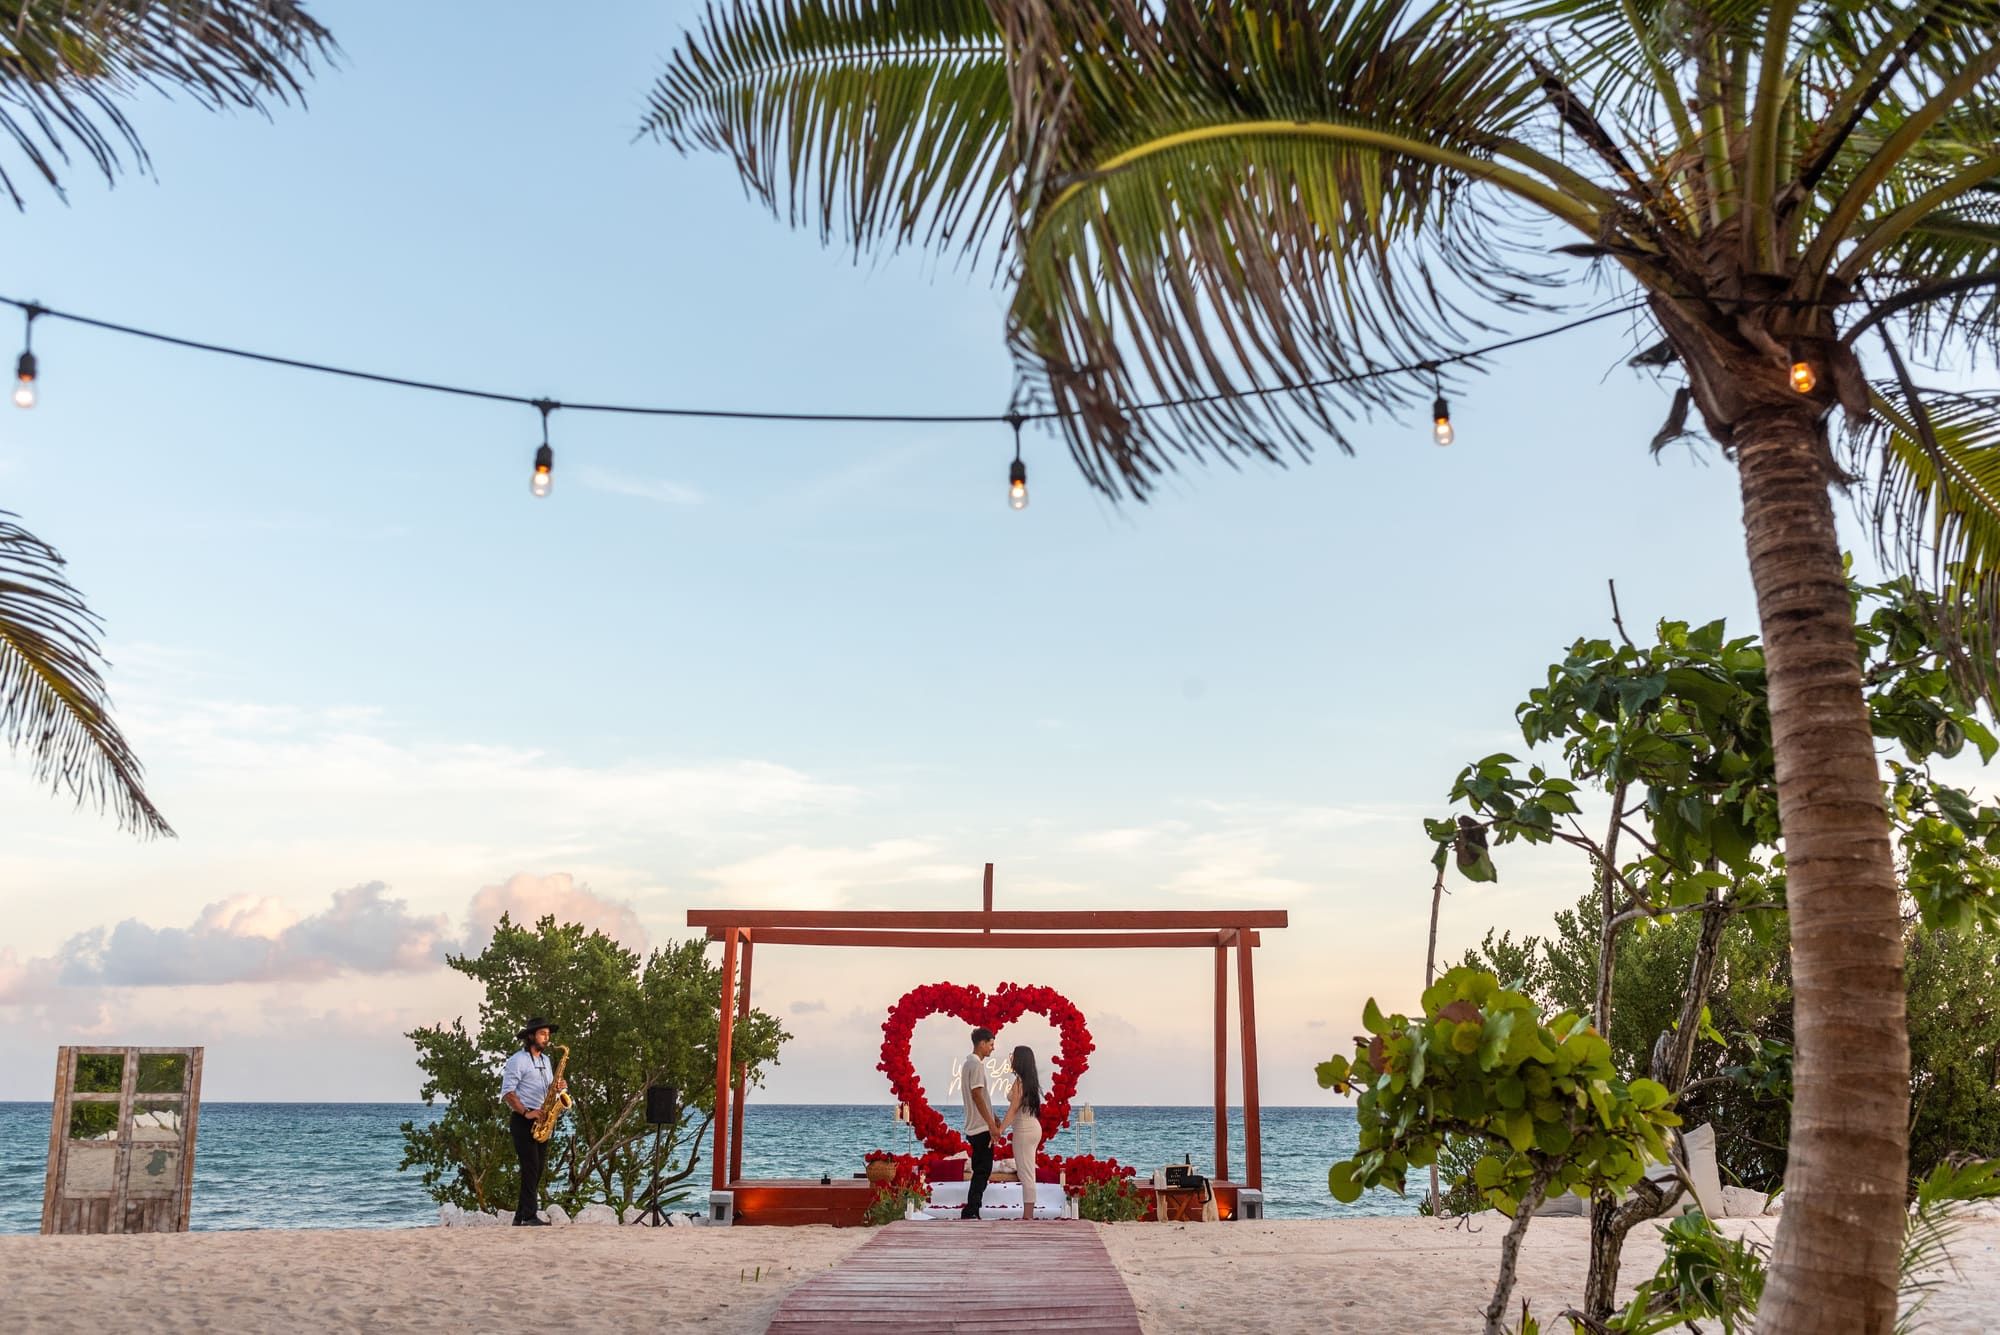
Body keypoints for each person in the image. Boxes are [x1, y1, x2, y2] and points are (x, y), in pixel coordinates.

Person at [500, 1016, 567, 1227]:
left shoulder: (546, 1061)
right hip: (524, 1120)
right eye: (543, 1034)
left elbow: (548, 1088)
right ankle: (530, 1215)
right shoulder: (517, 1060)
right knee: (531, 1167)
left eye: (548, 1034)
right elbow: (508, 1093)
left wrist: (558, 1088)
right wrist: (527, 1112)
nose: (547, 1038)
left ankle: (520, 1215)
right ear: (531, 1036)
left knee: (536, 1170)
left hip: (543, 1119)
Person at [958, 1026, 1003, 1219]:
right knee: (983, 1170)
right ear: (982, 1043)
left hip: (976, 1124)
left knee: (980, 1169)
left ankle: (972, 1209)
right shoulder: (976, 1065)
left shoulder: (968, 1064)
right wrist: (991, 1125)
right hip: (980, 1127)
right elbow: (977, 1095)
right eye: (991, 1044)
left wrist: (993, 1116)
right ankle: (971, 1210)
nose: (993, 1048)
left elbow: (980, 1096)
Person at [1001, 1044, 1044, 1220]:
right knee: (1026, 1171)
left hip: (1025, 1130)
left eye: (1013, 1055)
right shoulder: (1026, 1081)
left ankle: (1028, 1216)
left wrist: (1000, 1130)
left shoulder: (1020, 1082)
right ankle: (1028, 1214)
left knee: (1026, 1173)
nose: (1010, 1057)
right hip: (1030, 1127)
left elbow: (1013, 1109)